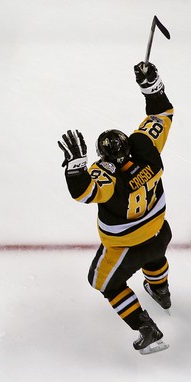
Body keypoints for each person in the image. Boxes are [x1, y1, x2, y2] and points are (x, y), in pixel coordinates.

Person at [57, 61, 174, 355]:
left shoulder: (107, 176)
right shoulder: (146, 148)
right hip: (160, 232)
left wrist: (75, 167)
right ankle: (161, 290)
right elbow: (162, 113)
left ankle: (145, 327)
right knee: (155, 254)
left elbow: (84, 192)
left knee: (103, 283)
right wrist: (151, 85)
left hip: (126, 248)